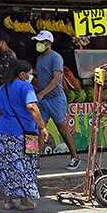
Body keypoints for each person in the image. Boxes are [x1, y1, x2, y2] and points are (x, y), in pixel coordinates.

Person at [0, 60, 50, 210]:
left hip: (3, 131)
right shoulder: (26, 86)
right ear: (23, 74)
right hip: (26, 133)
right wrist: (42, 127)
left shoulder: (2, 88)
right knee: (26, 165)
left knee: (6, 166)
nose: (31, 77)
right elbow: (31, 106)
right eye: (30, 74)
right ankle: (24, 202)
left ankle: (8, 201)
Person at [32, 30, 79, 170]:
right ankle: (36, 162)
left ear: (49, 43)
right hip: (44, 100)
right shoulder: (40, 59)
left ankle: (75, 157)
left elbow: (56, 80)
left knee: (63, 129)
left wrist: (41, 94)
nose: (39, 44)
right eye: (38, 41)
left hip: (56, 99)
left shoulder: (56, 58)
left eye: (42, 41)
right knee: (41, 129)